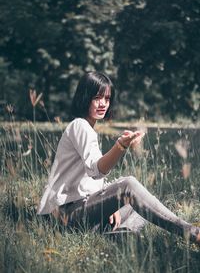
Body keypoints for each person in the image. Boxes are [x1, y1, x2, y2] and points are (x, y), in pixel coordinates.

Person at [37, 72, 200, 244]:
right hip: (60, 216)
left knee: (142, 204)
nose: (103, 104)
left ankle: (121, 234)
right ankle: (193, 234)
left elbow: (89, 181)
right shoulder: (80, 126)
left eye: (107, 99)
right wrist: (120, 146)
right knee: (128, 186)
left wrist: (110, 204)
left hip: (76, 210)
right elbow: (96, 170)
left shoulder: (86, 128)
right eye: (97, 97)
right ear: (85, 98)